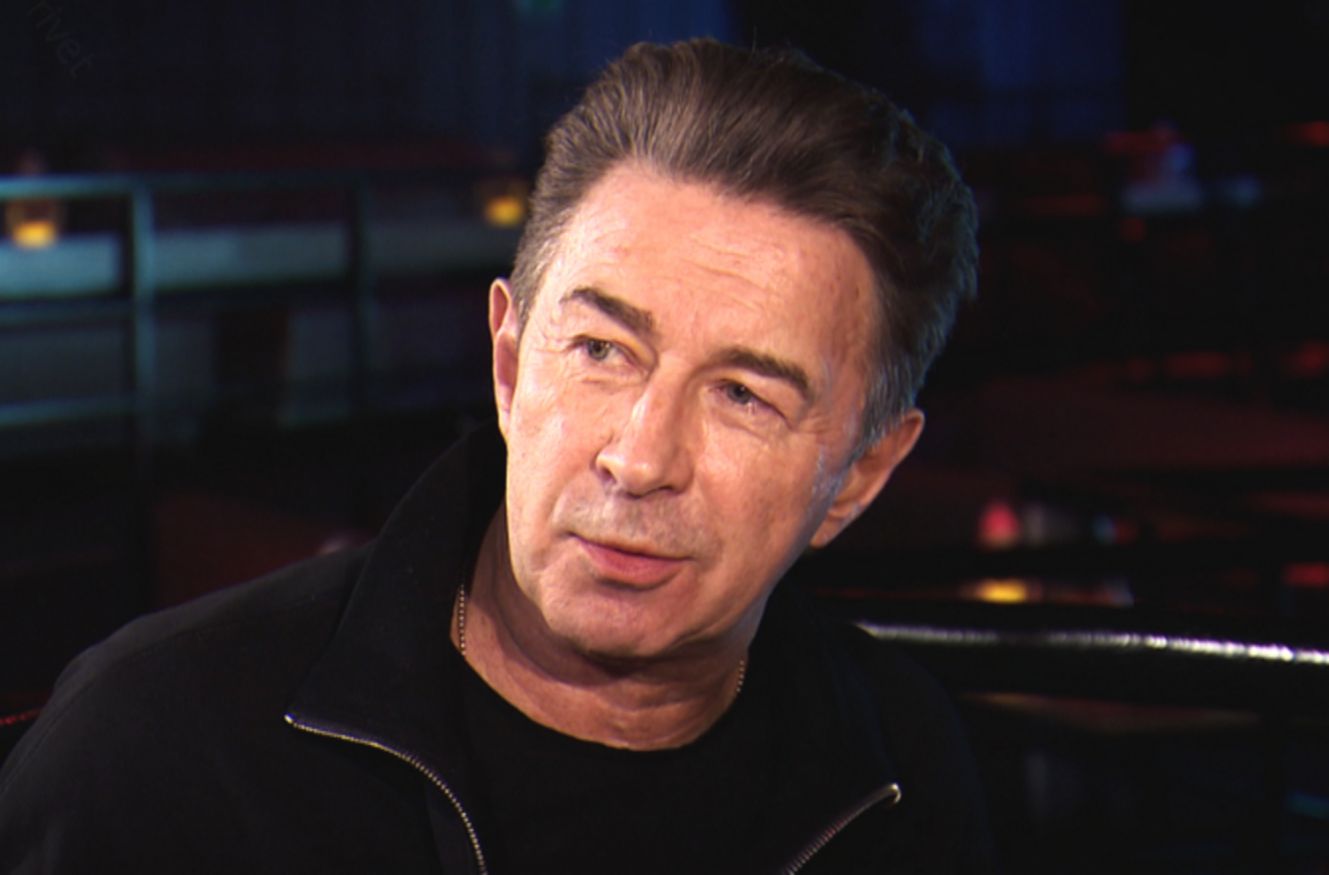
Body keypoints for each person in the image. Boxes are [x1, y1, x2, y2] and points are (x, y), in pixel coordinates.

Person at [0, 39, 992, 873]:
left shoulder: (900, 772)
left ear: (860, 475)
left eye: (743, 396)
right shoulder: (160, 747)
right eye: (600, 350)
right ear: (510, 366)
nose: (639, 458)